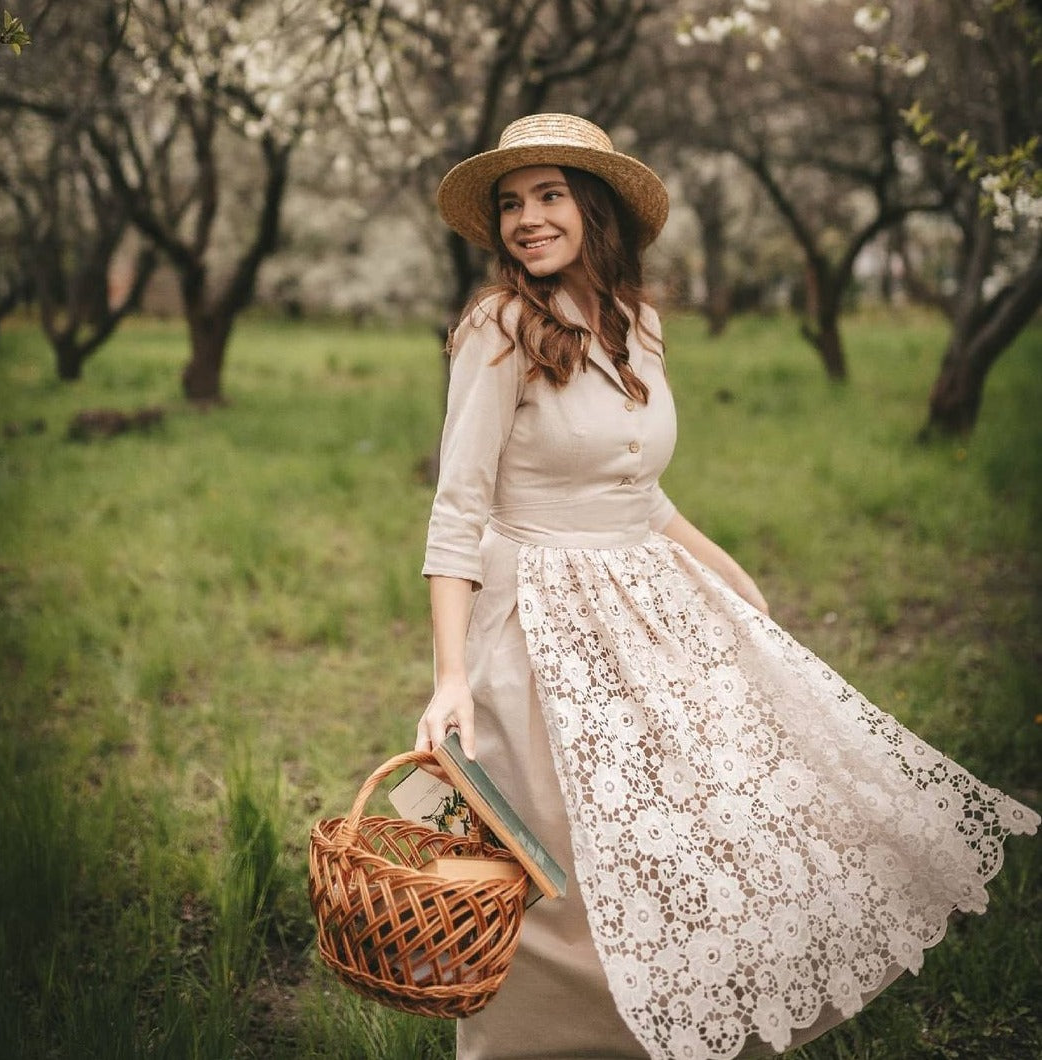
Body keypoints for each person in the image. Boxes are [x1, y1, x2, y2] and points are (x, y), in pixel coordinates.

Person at [414, 113, 1038, 1060]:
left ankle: (683, 1025)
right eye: (511, 203)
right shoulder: (497, 329)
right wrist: (451, 676)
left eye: (549, 196)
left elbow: (638, 487)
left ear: (595, 208)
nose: (528, 219)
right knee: (563, 852)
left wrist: (725, 570)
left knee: (701, 827)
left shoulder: (639, 327)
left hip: (647, 595)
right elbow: (458, 512)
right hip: (543, 611)